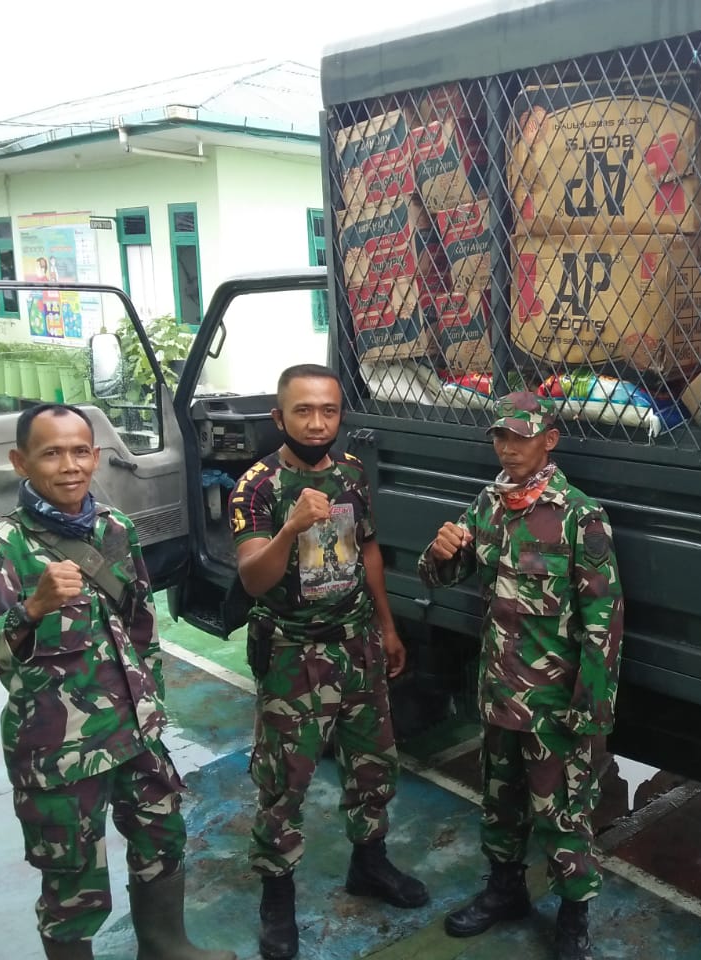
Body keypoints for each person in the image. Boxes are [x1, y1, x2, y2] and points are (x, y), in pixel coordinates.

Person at [0, 403, 233, 960]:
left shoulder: (114, 529)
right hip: (60, 753)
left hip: (135, 736)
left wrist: (151, 701)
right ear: (20, 462)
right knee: (71, 879)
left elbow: (140, 625)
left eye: (80, 451)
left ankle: (165, 944)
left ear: (97, 456)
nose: (70, 465)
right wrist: (29, 611)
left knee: (162, 837)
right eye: (51, 453)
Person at [227, 363, 427, 960]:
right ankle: (277, 899)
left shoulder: (350, 473)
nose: (317, 424)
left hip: (357, 643)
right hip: (293, 652)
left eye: (329, 411)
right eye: (303, 411)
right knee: (284, 781)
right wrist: (291, 528)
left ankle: (369, 864)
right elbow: (254, 578)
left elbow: (366, 549)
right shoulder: (257, 487)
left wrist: (387, 628)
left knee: (373, 764)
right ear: (279, 417)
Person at [417, 391, 625, 960]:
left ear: (549, 439)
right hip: (498, 691)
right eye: (500, 438)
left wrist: (590, 709)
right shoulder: (488, 506)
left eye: (520, 436)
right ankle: (504, 891)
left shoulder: (580, 516)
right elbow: (443, 574)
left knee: (563, 812)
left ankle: (573, 918)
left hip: (554, 702)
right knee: (499, 801)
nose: (508, 448)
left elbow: (603, 623)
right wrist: (439, 551)